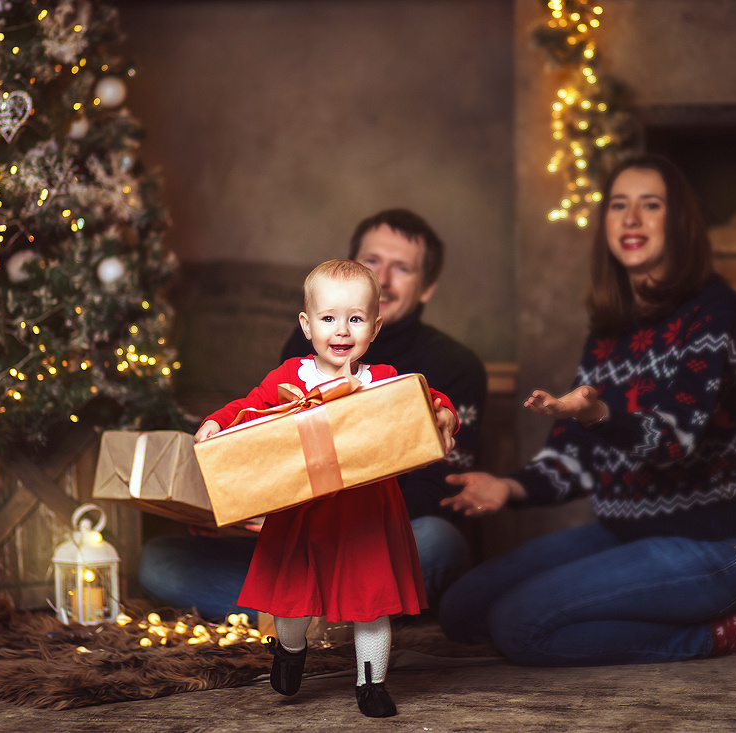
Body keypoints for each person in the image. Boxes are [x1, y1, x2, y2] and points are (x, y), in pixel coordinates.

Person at [438, 154, 736, 666]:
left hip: (713, 546)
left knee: (518, 628)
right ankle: (644, 609)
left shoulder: (717, 311)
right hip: (623, 532)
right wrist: (506, 487)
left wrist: (598, 415)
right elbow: (573, 458)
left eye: (651, 205)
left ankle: (710, 635)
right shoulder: (608, 331)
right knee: (462, 612)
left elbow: (673, 442)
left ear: (680, 221)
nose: (631, 219)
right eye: (619, 205)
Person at [139, 209, 487, 617]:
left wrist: (343, 519)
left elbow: (437, 490)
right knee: (160, 559)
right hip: (299, 527)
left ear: (426, 287)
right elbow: (270, 425)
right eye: (373, 262)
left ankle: (302, 605)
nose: (385, 279)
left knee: (440, 539)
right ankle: (324, 609)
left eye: (403, 269)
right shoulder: (304, 357)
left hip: (378, 535)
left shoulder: (452, 366)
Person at [195, 259, 459, 717]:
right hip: (303, 508)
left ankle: (371, 684)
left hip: (367, 511)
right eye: (329, 318)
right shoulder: (291, 376)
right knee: (293, 601)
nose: (342, 330)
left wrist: (444, 413)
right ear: (306, 324)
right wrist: (215, 422)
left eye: (355, 319)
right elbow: (247, 405)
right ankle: (291, 650)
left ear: (374, 327)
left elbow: (428, 396)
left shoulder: (380, 380)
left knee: (371, 605)